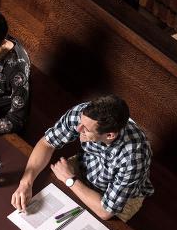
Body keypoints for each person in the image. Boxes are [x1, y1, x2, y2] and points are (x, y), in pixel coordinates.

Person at [11, 95, 154, 222]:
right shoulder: (84, 116)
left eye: (86, 129)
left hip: (119, 196)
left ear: (110, 135)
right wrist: (25, 184)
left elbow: (106, 211)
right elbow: (47, 143)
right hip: (84, 168)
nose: (78, 129)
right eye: (80, 122)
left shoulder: (134, 156)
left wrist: (69, 179)